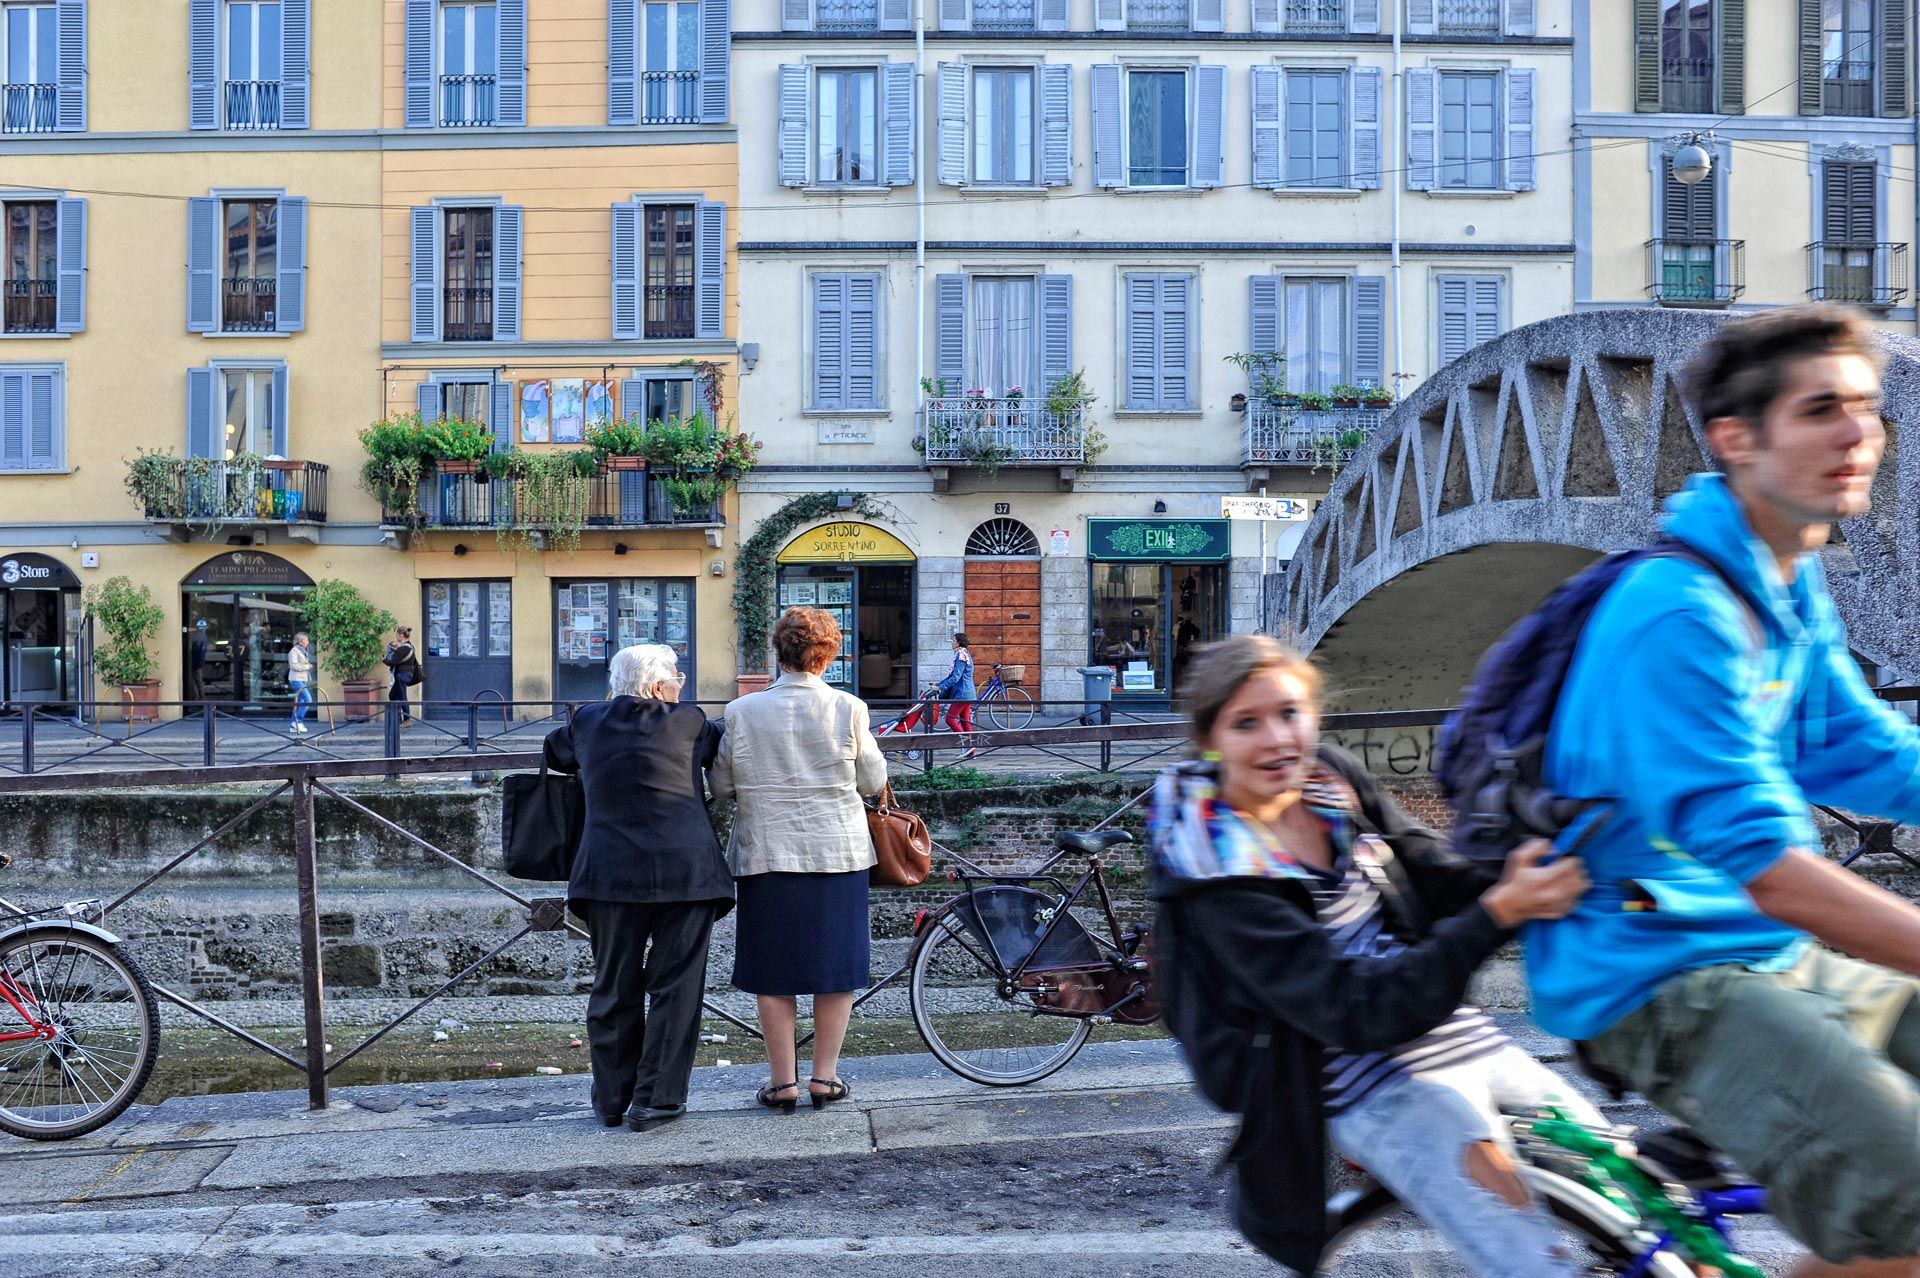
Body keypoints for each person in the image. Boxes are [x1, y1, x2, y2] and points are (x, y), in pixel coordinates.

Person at [1538, 305, 1920, 1278]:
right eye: (1822, 409)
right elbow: (1769, 872)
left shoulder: (1781, 585)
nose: (1858, 435)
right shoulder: (1680, 614)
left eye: (1870, 410)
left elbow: (1862, 751)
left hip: (1761, 953)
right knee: (1907, 1211)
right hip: (1660, 971)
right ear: (1737, 441)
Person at [1151, 635, 1596, 1278]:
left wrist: (1524, 874)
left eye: (1289, 713)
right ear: (1211, 740)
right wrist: (1502, 911)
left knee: (1628, 1191)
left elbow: (1436, 874)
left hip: (1448, 1031)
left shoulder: (1329, 779)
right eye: (1247, 723)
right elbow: (1355, 1010)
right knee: (1533, 1256)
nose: (1278, 740)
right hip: (1361, 1078)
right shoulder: (1215, 871)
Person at [544, 644, 732, 1132]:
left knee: (613, 985)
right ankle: (657, 1101)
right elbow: (718, 750)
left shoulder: (586, 721)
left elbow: (555, 751)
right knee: (676, 988)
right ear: (656, 686)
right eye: (676, 676)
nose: (681, 683)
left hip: (608, 874)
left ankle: (612, 1099)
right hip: (685, 873)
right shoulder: (690, 722)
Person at [710, 607, 888, 1114]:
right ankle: (824, 1079)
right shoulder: (848, 708)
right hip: (837, 853)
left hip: (766, 854)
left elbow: (721, 787)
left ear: (778, 651)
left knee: (773, 971)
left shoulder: (741, 712)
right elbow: (872, 782)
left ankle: (781, 1082)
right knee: (836, 970)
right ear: (828, 655)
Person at [935, 632, 975, 734]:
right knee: (965, 722)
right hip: (968, 693)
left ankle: (965, 742)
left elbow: (955, 677)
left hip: (962, 693)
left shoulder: (961, 655)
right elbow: (952, 676)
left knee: (950, 719)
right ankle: (971, 748)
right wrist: (939, 685)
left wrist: (940, 688)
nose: (952, 643)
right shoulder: (965, 654)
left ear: (959, 643)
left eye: (953, 641)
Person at [383, 626, 421, 723]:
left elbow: (393, 661)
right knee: (393, 695)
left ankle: (407, 720)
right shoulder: (410, 647)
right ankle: (397, 718)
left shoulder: (403, 649)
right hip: (406, 675)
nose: (396, 637)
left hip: (402, 675)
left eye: (397, 634)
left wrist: (384, 660)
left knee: (402, 697)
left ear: (401, 635)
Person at [286, 631, 313, 734]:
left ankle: (294, 724)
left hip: (302, 678)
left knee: (301, 701)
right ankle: (298, 721)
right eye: (306, 640)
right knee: (307, 699)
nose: (308, 641)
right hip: (296, 679)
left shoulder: (302, 651)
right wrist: (307, 666)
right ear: (301, 642)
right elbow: (293, 666)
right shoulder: (294, 651)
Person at [186, 620, 209, 705]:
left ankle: (197, 697)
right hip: (198, 662)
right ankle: (200, 697)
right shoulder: (204, 637)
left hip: (194, 662)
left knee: (195, 681)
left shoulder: (195, 636)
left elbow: (194, 650)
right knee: (198, 681)